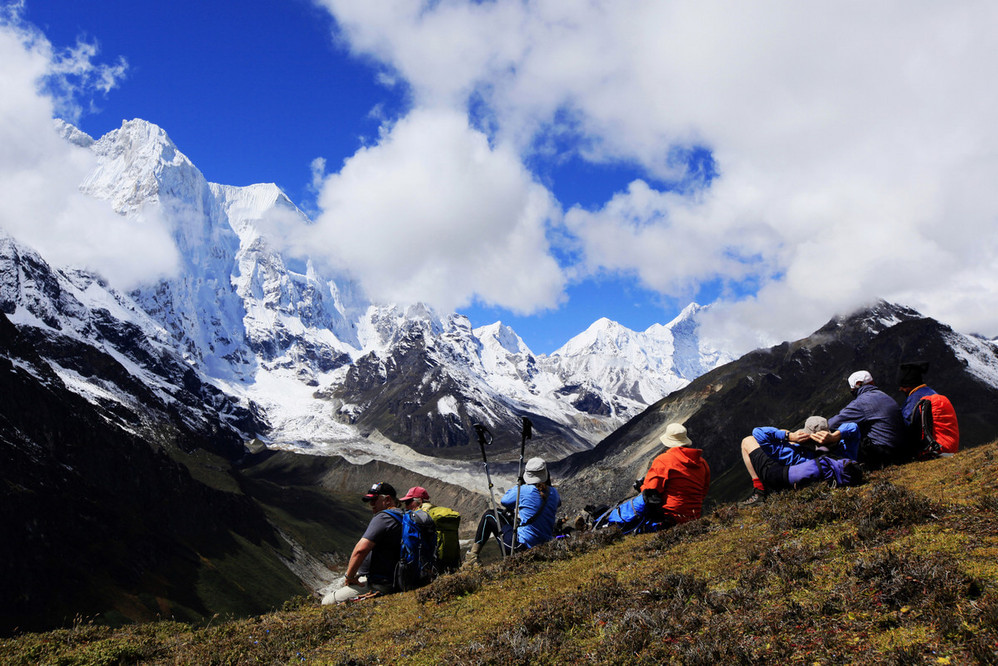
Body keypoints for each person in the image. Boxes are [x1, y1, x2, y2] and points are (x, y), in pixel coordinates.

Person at [740, 416, 860, 505]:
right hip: (822, 473)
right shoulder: (843, 451)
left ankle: (759, 490)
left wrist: (790, 436)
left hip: (783, 477)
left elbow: (758, 433)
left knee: (747, 441)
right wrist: (835, 437)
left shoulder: (793, 454)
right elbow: (853, 427)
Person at [465, 457, 560, 565]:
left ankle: (472, 558)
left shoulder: (524, 490)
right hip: (544, 546)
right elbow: (557, 503)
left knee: (490, 515)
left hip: (521, 548)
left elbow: (505, 501)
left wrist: (520, 484)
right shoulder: (554, 493)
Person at [323, 481, 403, 604]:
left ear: (387, 499)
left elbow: (360, 550)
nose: (371, 504)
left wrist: (349, 577)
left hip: (380, 584)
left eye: (374, 500)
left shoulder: (383, 518)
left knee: (327, 602)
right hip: (397, 580)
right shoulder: (402, 516)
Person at [828, 370, 907, 469]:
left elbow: (833, 424)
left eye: (852, 388)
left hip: (883, 455)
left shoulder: (862, 402)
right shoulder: (885, 396)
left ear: (858, 384)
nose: (852, 391)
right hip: (900, 450)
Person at [638, 423, 711, 526]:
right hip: (694, 517)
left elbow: (651, 492)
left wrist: (641, 486)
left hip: (669, 518)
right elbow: (704, 491)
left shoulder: (663, 460)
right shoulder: (702, 463)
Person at [897, 361, 959, 456]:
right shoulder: (932, 393)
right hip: (949, 448)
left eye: (903, 386)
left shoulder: (916, 398)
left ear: (908, 386)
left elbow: (906, 424)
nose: (900, 389)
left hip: (931, 451)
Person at [399, 486, 462, 572]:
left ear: (419, 501)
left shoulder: (418, 517)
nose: (406, 506)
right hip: (451, 564)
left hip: (430, 568)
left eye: (408, 502)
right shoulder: (436, 512)